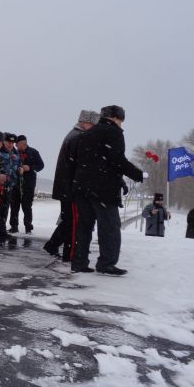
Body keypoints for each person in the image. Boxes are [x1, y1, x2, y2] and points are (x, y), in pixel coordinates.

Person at [71, 105, 145, 275]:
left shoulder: (87, 133)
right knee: (110, 227)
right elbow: (117, 160)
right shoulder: (113, 133)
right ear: (115, 118)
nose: (121, 124)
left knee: (84, 226)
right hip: (103, 188)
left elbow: (80, 160)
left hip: (82, 187)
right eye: (121, 120)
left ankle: (79, 262)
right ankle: (106, 263)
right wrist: (138, 174)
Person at [44, 110, 100, 260]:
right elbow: (79, 165)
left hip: (66, 187)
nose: (94, 128)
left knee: (69, 221)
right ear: (85, 122)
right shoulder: (79, 137)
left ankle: (53, 245)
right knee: (73, 223)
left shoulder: (73, 135)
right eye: (93, 124)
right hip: (71, 188)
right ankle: (70, 255)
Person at [9, 134, 44, 234]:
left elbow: (41, 165)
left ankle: (28, 228)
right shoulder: (14, 153)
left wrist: (30, 168)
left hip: (28, 184)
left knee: (26, 206)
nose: (15, 145)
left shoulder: (33, 152)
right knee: (14, 206)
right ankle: (14, 227)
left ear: (22, 143)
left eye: (17, 144)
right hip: (15, 184)